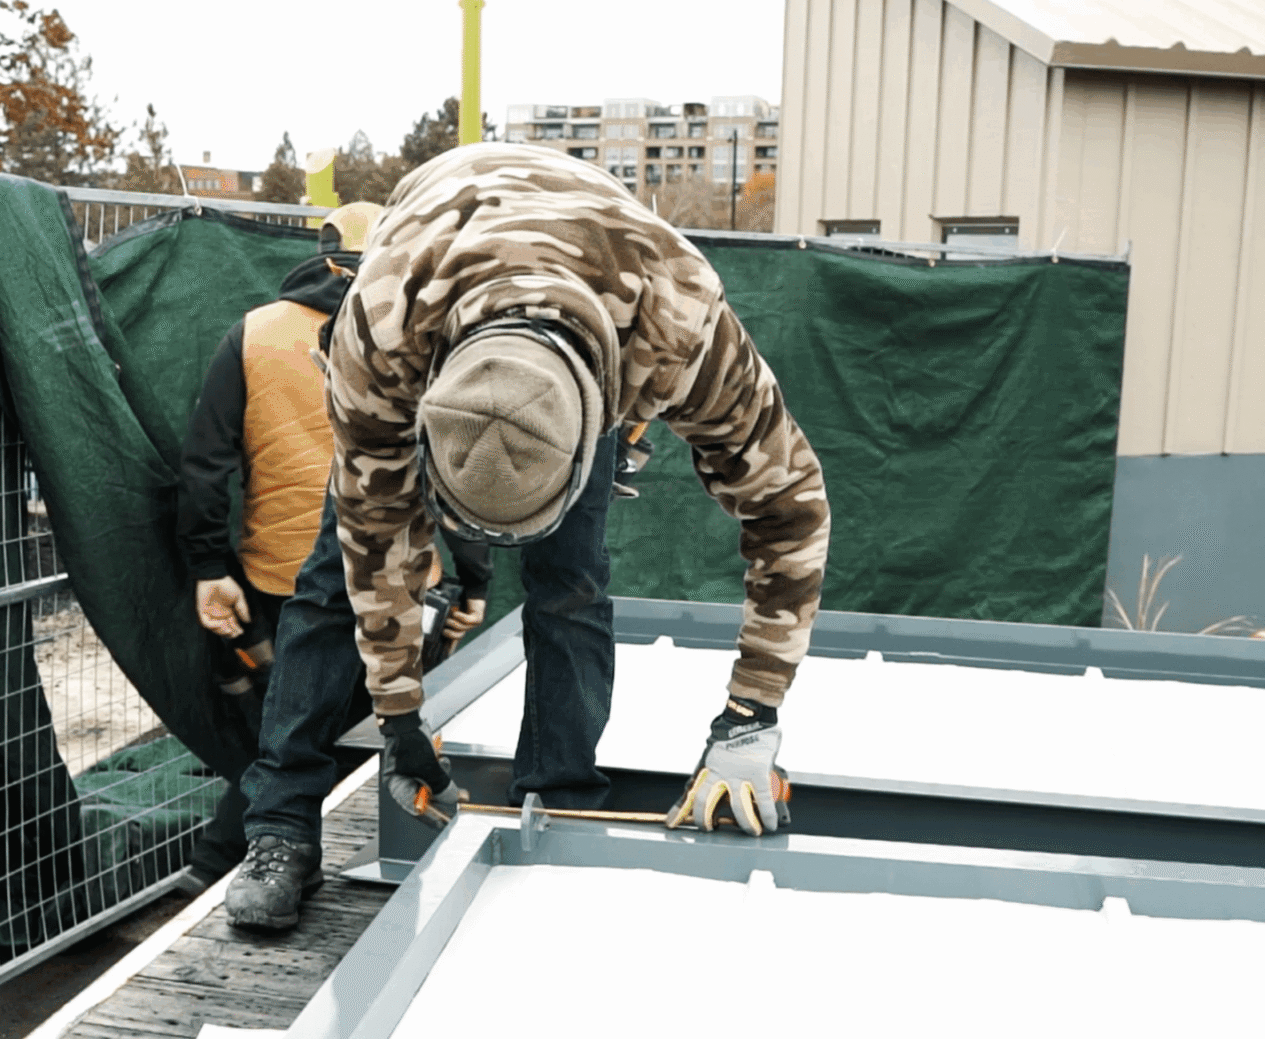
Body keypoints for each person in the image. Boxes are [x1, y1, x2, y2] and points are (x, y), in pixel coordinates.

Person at [224, 143, 831, 930]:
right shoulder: (380, 333)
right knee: (336, 572)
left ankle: (560, 798)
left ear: (592, 441)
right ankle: (279, 827)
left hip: (598, 305)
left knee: (570, 582)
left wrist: (751, 719)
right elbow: (378, 548)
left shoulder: (678, 323)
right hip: (440, 281)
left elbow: (793, 508)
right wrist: (402, 721)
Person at [172, 201, 491, 898]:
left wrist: (207, 567)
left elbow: (204, 467)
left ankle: (232, 860)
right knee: (357, 731)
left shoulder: (255, 334)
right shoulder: (430, 343)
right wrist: (472, 582)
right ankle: (239, 857)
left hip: (278, 580)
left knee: (290, 729)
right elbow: (458, 471)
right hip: (404, 583)